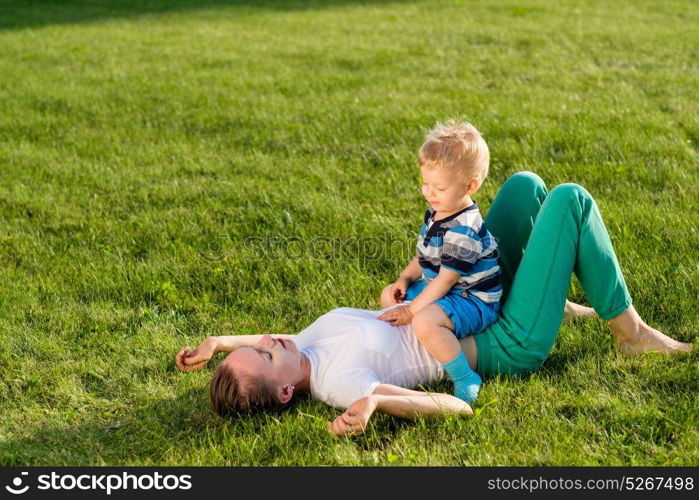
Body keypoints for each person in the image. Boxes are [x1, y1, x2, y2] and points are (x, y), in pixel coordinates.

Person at [176, 172, 693, 437]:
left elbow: (269, 343)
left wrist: (224, 342)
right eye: (265, 354)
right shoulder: (338, 383)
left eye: (260, 343)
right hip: (500, 341)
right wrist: (378, 402)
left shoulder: (303, 347)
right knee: (569, 200)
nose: (269, 339)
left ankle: (553, 300)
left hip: (472, 299)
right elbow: (457, 406)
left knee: (524, 188)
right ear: (287, 393)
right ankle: (629, 333)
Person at [377, 119, 501, 403]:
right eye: (425, 183)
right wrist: (405, 279)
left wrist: (412, 312)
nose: (429, 193)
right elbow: (424, 255)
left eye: (439, 188)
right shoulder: (439, 210)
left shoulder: (464, 228)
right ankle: (423, 346)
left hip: (473, 299)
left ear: (470, 185)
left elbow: (447, 279)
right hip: (444, 290)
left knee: (423, 321)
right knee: (390, 296)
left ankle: (464, 375)